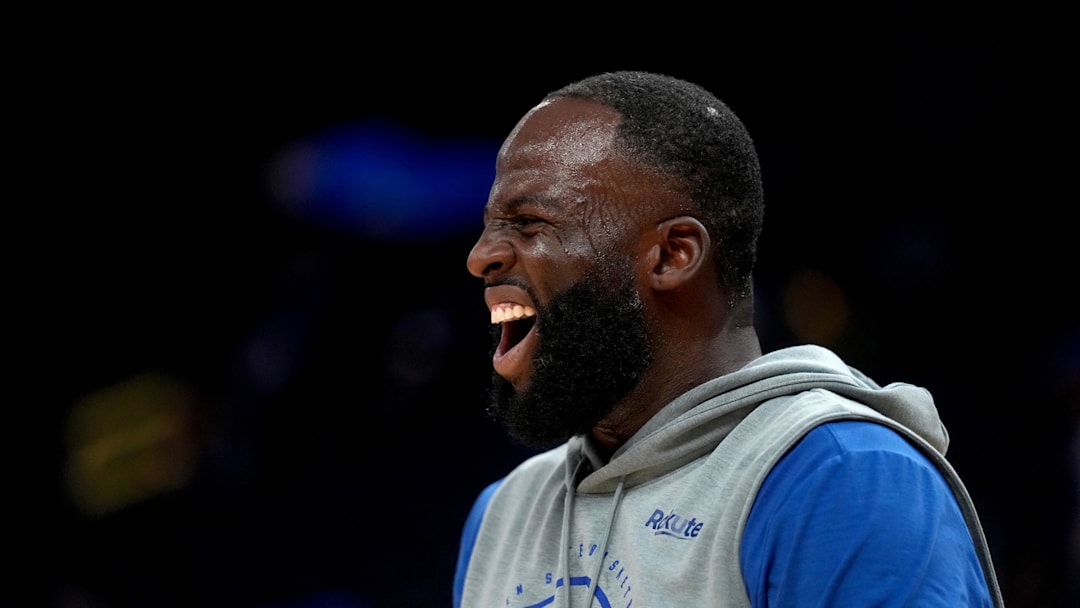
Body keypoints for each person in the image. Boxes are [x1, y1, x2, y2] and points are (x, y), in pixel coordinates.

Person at [452, 70, 1004, 607]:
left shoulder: (841, 478)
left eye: (528, 222)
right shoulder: (502, 514)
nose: (481, 256)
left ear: (674, 255)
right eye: (489, 224)